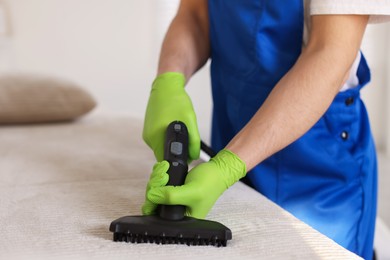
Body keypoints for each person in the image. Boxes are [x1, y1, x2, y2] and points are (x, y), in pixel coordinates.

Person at [141, 1, 390, 259]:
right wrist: (169, 81)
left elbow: (330, 53)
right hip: (234, 136)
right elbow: (195, 15)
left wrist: (228, 167)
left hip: (318, 165)